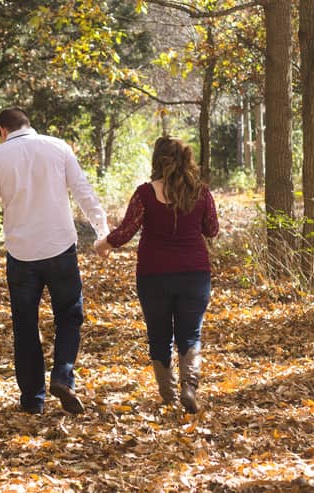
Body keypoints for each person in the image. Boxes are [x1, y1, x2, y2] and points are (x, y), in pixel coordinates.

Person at [0, 108, 109, 415]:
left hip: (21, 256)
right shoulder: (58, 147)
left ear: (1, 131)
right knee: (70, 316)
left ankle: (33, 400)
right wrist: (103, 231)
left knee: (25, 326)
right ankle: (63, 374)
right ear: (28, 125)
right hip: (60, 248)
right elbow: (83, 192)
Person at [95, 136, 219, 413]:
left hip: (154, 275)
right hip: (194, 273)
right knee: (190, 335)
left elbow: (127, 231)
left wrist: (103, 244)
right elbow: (212, 229)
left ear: (157, 160)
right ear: (187, 159)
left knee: (159, 336)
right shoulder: (201, 192)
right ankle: (189, 387)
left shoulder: (145, 193)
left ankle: (169, 396)